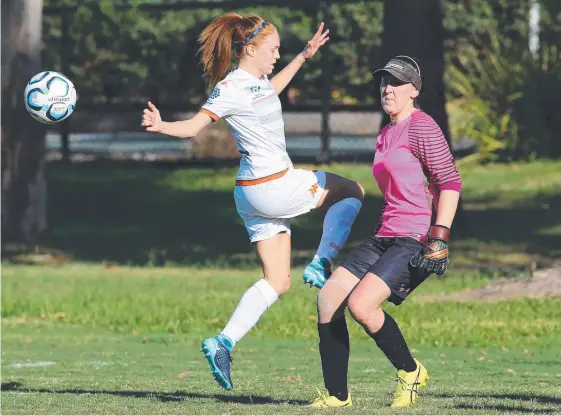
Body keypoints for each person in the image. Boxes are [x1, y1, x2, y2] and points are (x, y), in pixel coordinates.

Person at [141, 13, 365, 391]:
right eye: (274, 49)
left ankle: (223, 342)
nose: (277, 55)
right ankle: (324, 259)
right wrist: (164, 126)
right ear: (251, 48)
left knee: (277, 281)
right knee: (353, 190)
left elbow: (270, 90)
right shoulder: (229, 87)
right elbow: (195, 126)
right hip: (273, 184)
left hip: (250, 194)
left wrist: (302, 57)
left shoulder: (256, 83)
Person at [309, 55, 462, 408]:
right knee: (328, 299)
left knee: (362, 305)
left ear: (413, 90)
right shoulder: (387, 132)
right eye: (383, 82)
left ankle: (410, 372)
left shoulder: (422, 126)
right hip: (385, 234)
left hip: (415, 236)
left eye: (396, 83)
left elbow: (450, 181)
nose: (387, 88)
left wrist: (440, 236)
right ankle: (337, 395)